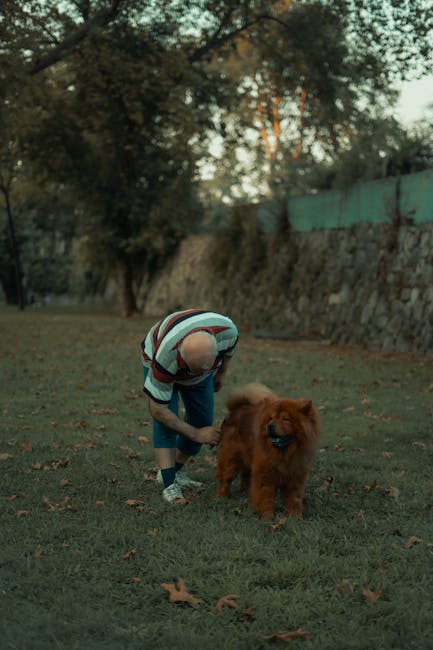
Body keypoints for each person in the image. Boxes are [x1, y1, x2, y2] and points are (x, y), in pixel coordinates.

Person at [140, 308, 239, 504]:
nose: (193, 377)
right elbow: (158, 410)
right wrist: (195, 434)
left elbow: (229, 350)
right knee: (167, 422)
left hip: (202, 368)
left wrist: (221, 373)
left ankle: (176, 469)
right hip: (159, 355)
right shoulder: (165, 358)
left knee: (202, 419)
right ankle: (169, 483)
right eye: (192, 371)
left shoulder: (228, 332)